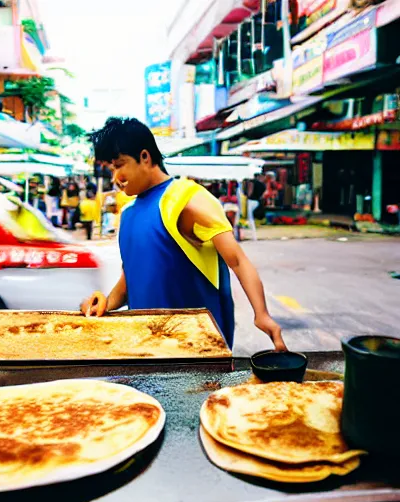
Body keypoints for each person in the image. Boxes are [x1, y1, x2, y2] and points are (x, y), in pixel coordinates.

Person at [80, 117, 286, 352]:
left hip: (197, 348)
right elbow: (131, 282)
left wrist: (262, 314)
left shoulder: (186, 198)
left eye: (119, 165)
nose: (115, 178)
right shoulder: (128, 215)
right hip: (143, 347)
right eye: (111, 169)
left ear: (145, 157)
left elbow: (237, 261)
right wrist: (107, 302)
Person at [246, 173, 266, 242]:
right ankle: (253, 235)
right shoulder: (262, 185)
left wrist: (247, 196)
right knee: (251, 218)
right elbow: (263, 195)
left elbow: (250, 191)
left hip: (251, 201)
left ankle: (253, 235)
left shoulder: (252, 182)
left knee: (249, 217)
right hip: (257, 201)